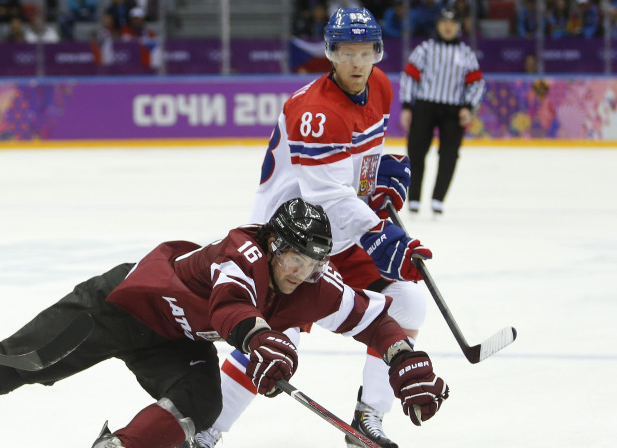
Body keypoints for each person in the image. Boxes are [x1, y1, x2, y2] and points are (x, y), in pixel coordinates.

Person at [0, 198, 449, 448]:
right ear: (274, 244)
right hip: (123, 307)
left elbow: (375, 320)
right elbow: (230, 307)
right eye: (295, 258)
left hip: (177, 339)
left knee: (201, 403)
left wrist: (405, 358)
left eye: (315, 262)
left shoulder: (312, 284)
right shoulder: (243, 253)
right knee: (21, 363)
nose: (303, 272)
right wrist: (259, 338)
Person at [185, 7, 437, 448]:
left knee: (408, 302)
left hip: (333, 231)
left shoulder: (379, 87)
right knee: (277, 338)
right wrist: (377, 232)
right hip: (288, 234)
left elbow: (349, 177)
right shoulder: (313, 112)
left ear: (378, 52)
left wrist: (375, 183)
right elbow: (327, 198)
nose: (357, 63)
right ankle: (206, 431)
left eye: (365, 52)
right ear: (330, 53)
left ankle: (369, 418)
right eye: (346, 52)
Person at [399, 8, 485, 215]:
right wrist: (407, 106)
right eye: (444, 22)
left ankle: (438, 199)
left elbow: (476, 83)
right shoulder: (424, 49)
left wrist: (469, 107)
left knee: (449, 154)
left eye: (452, 23)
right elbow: (409, 77)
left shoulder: (466, 53)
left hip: (453, 109)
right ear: (438, 25)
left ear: (458, 27)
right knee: (416, 152)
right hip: (424, 106)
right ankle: (414, 199)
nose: (448, 27)